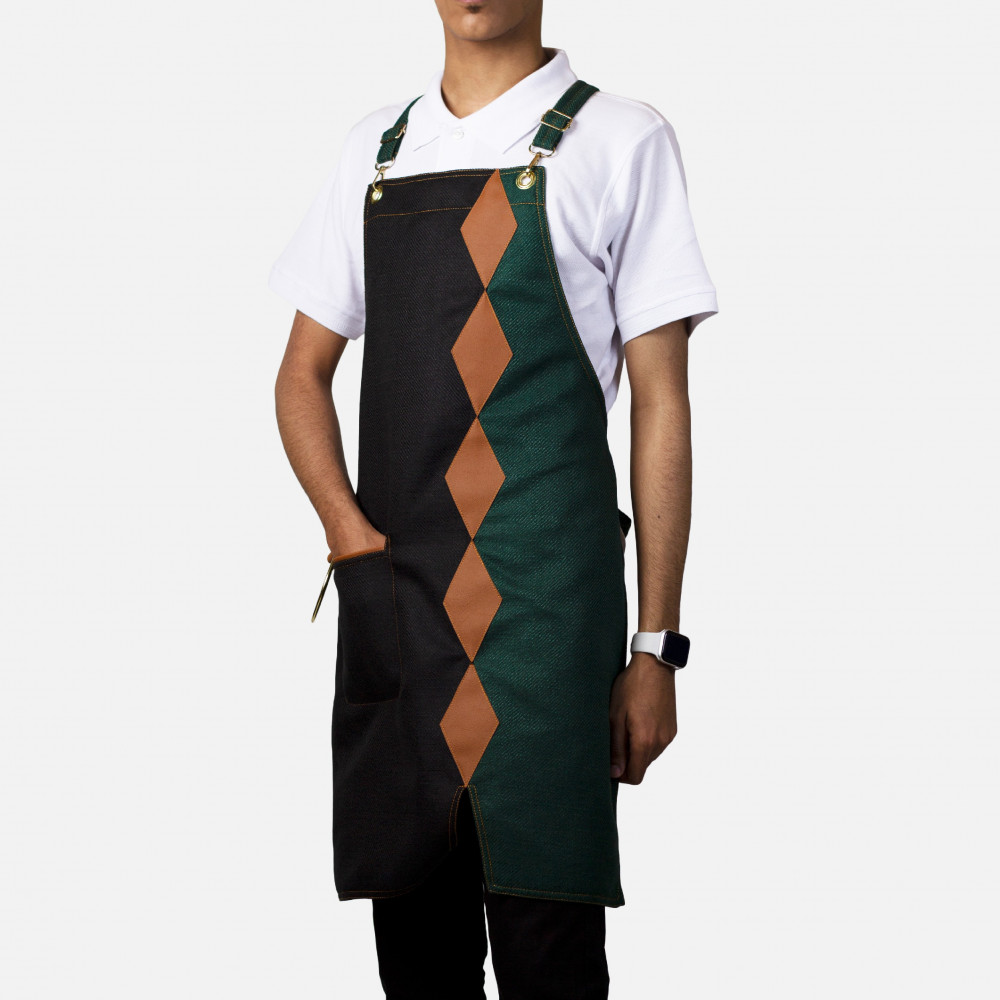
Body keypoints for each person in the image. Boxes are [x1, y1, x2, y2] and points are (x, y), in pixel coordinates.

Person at [269, 2, 717, 997]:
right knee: (415, 951)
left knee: (549, 951)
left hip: (548, 622)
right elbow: (300, 374)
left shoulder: (620, 139)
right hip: (400, 610)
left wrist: (656, 648)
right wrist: (349, 539)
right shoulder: (375, 150)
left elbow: (661, 402)